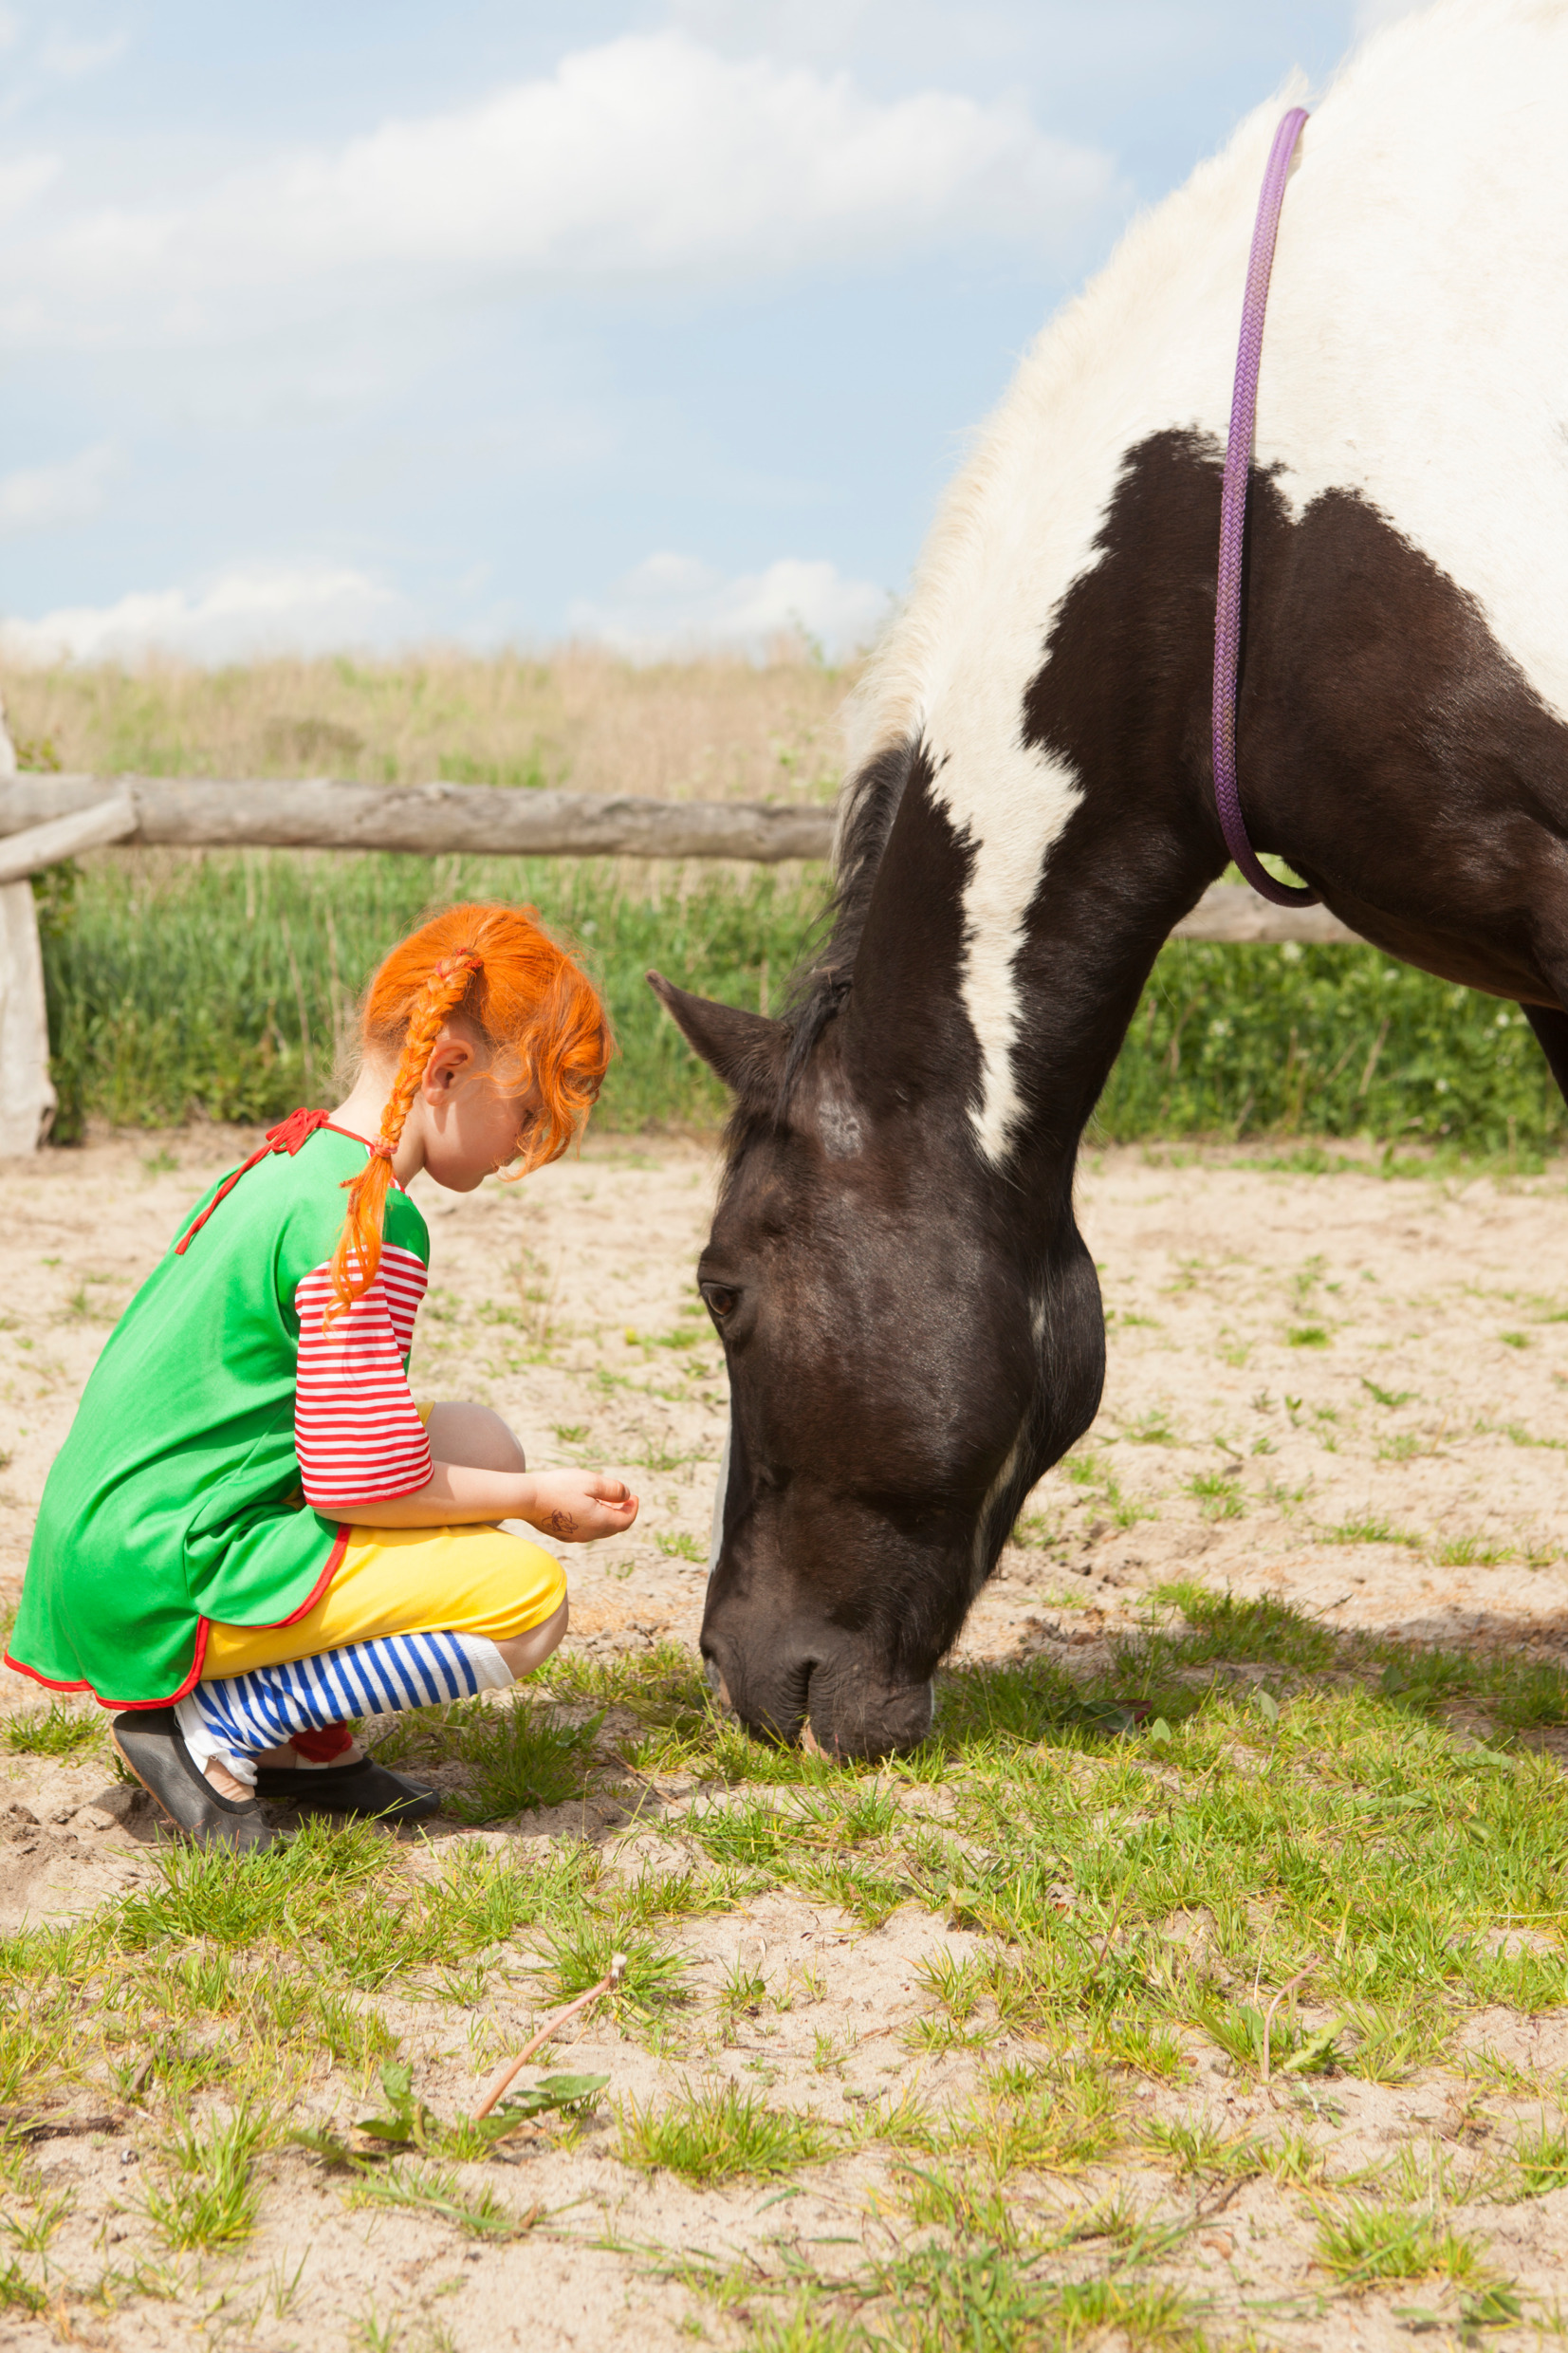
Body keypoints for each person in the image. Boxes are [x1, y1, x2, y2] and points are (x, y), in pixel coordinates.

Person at [5, 902, 638, 1851]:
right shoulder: (366, 1216)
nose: (525, 1144)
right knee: (527, 1600)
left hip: (119, 1536)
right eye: (529, 1111)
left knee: (478, 1440)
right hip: (165, 1566)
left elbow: (339, 1444)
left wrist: (504, 1476)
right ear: (450, 1068)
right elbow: (358, 1481)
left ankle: (309, 1745)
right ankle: (216, 1723)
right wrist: (536, 1498)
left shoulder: (300, 1154)